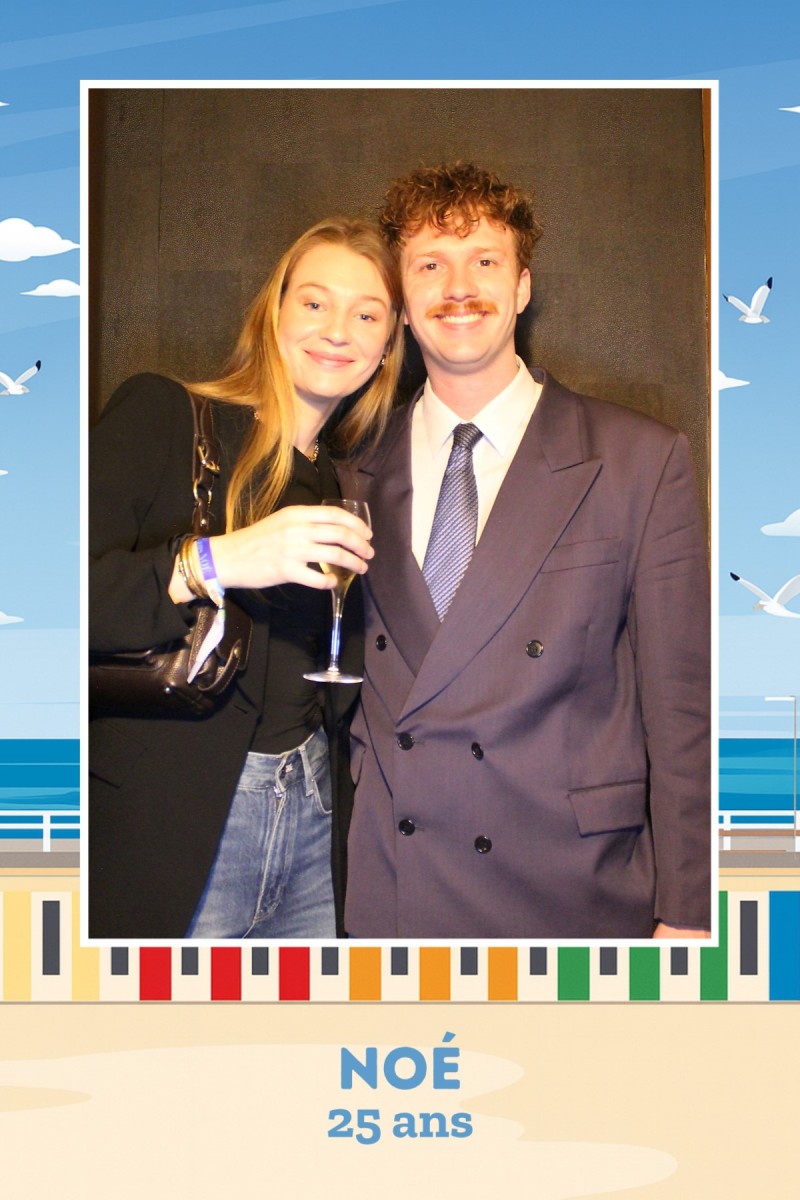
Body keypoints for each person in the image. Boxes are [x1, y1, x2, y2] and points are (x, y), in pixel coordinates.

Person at [345, 162, 711, 939]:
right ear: (401, 303)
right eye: (430, 265)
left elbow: (684, 708)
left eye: (485, 260)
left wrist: (689, 912)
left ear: (522, 288)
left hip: (572, 892)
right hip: (397, 891)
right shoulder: (347, 470)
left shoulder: (639, 460)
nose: (459, 287)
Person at [89, 217, 403, 940]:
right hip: (177, 826)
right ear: (274, 310)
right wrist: (214, 561)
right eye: (315, 302)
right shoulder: (165, 414)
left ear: (389, 345)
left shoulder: (348, 483)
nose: (337, 331)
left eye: (367, 315)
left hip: (316, 819)